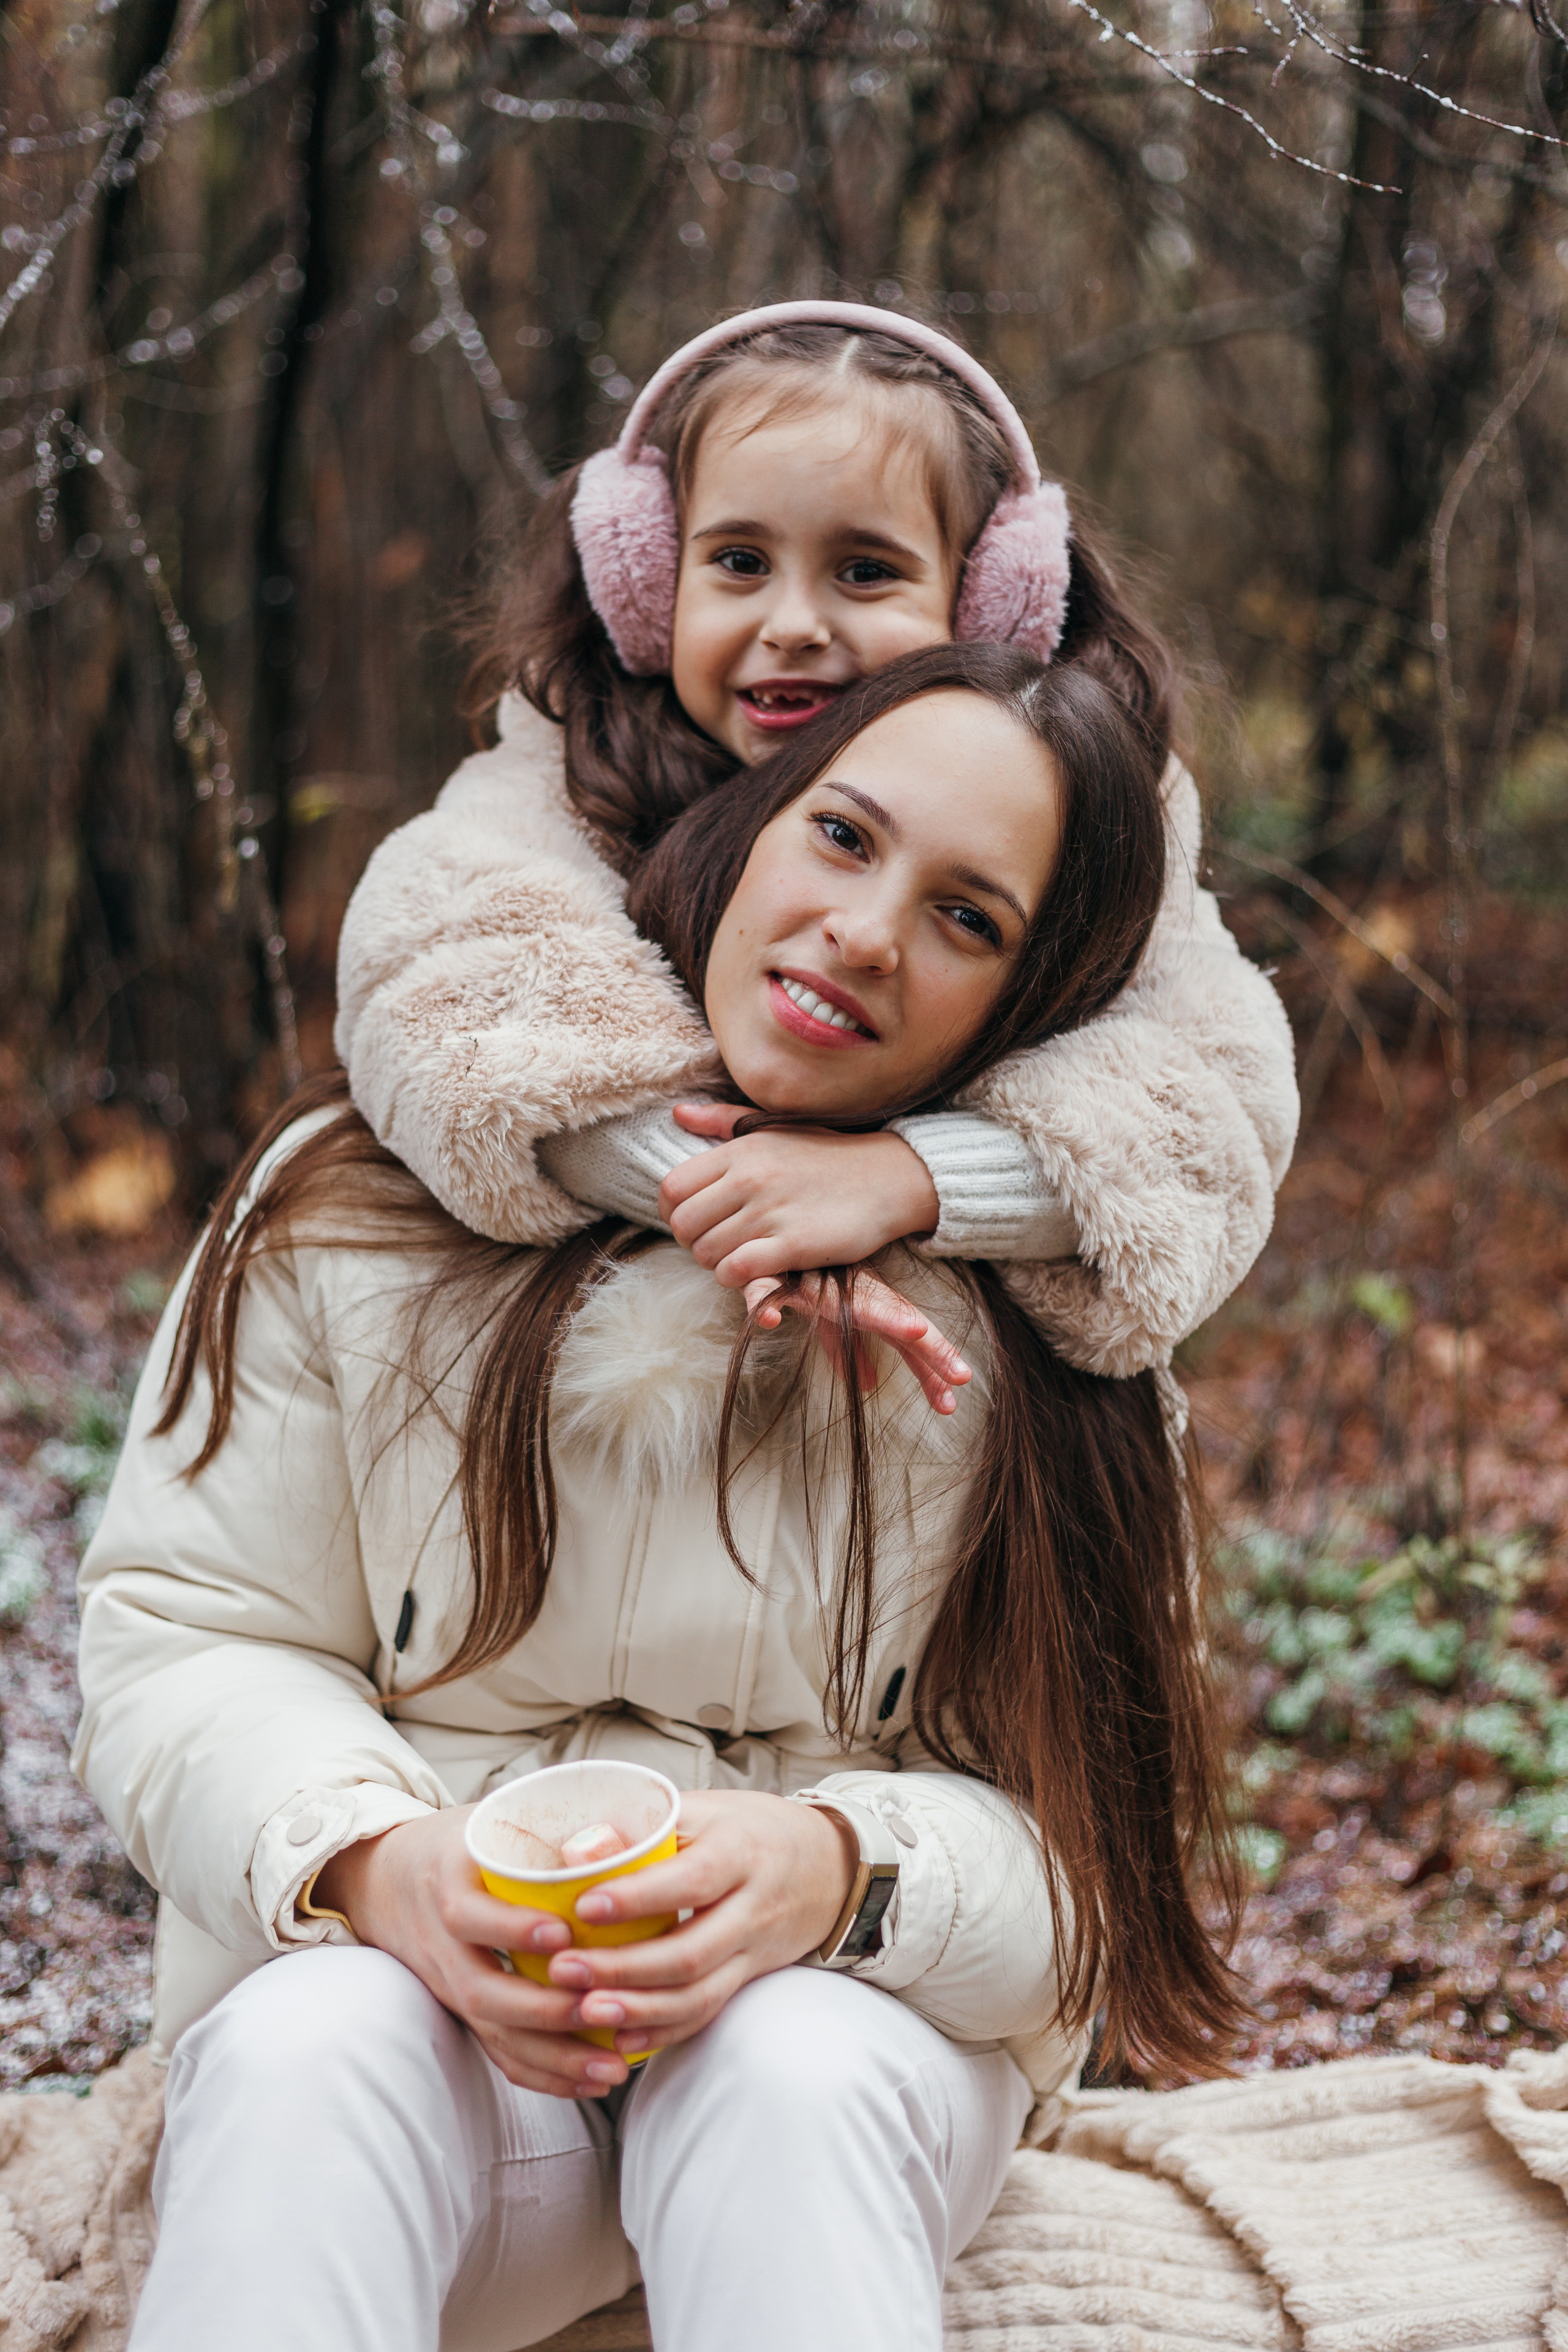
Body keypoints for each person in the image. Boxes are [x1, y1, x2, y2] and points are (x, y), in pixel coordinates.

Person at [76, 645, 1241, 2352]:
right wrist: (382, 1870)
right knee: (311, 2046)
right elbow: (192, 1639)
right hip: (443, 2043)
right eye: (844, 837)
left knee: (785, 2068)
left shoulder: (1058, 1336)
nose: (864, 931)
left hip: (850, 2047)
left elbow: (1085, 1859)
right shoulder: (358, 1199)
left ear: (1035, 998)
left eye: (968, 919)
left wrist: (841, 1871)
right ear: (747, 821)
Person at [334, 299, 1298, 1390]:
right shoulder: (559, 774)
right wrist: (719, 1190)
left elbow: (1214, 1123)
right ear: (648, 581)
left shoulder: (1084, 819)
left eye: (864, 571)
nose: (792, 622)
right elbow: (439, 1012)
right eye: (740, 561)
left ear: (989, 603)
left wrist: (904, 1181)